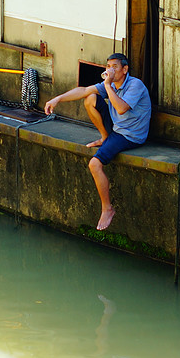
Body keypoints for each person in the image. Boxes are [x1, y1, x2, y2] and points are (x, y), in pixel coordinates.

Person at [44, 53, 151, 230]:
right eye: (108, 66)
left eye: (115, 66)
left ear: (125, 70)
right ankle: (105, 137)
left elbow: (122, 108)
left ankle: (107, 209)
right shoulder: (111, 84)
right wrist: (58, 99)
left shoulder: (135, 85)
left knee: (94, 164)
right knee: (90, 98)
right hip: (117, 128)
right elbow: (84, 90)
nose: (110, 70)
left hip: (130, 135)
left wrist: (108, 85)